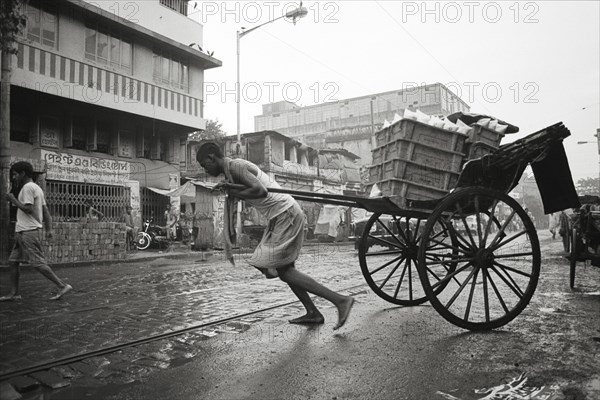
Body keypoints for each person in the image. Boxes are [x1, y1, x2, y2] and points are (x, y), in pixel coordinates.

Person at [196, 142, 354, 330]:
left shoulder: (235, 166)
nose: (204, 168)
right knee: (286, 272)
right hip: (281, 214)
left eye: (204, 164)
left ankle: (341, 300)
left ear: (212, 157)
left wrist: (231, 189)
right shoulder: (231, 170)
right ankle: (313, 312)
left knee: (284, 271)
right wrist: (229, 187)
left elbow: (259, 191)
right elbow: (250, 191)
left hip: (285, 214)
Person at [1, 161, 72, 301]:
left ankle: (62, 285)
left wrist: (13, 200)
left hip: (28, 231)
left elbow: (28, 209)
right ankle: (14, 293)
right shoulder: (37, 188)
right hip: (23, 231)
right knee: (13, 262)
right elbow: (45, 211)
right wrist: (48, 229)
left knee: (38, 263)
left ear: (22, 173)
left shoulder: (27, 187)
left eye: (15, 174)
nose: (14, 177)